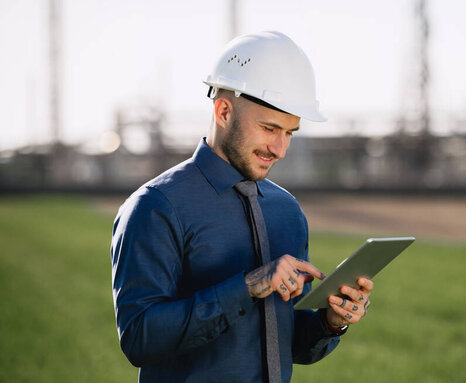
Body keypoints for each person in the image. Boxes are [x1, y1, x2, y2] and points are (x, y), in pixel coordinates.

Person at [110, 31, 374, 383]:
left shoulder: (287, 211)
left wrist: (330, 321)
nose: (280, 149)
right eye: (269, 128)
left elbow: (286, 344)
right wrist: (248, 286)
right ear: (223, 111)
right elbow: (139, 339)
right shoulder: (156, 206)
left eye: (290, 133)